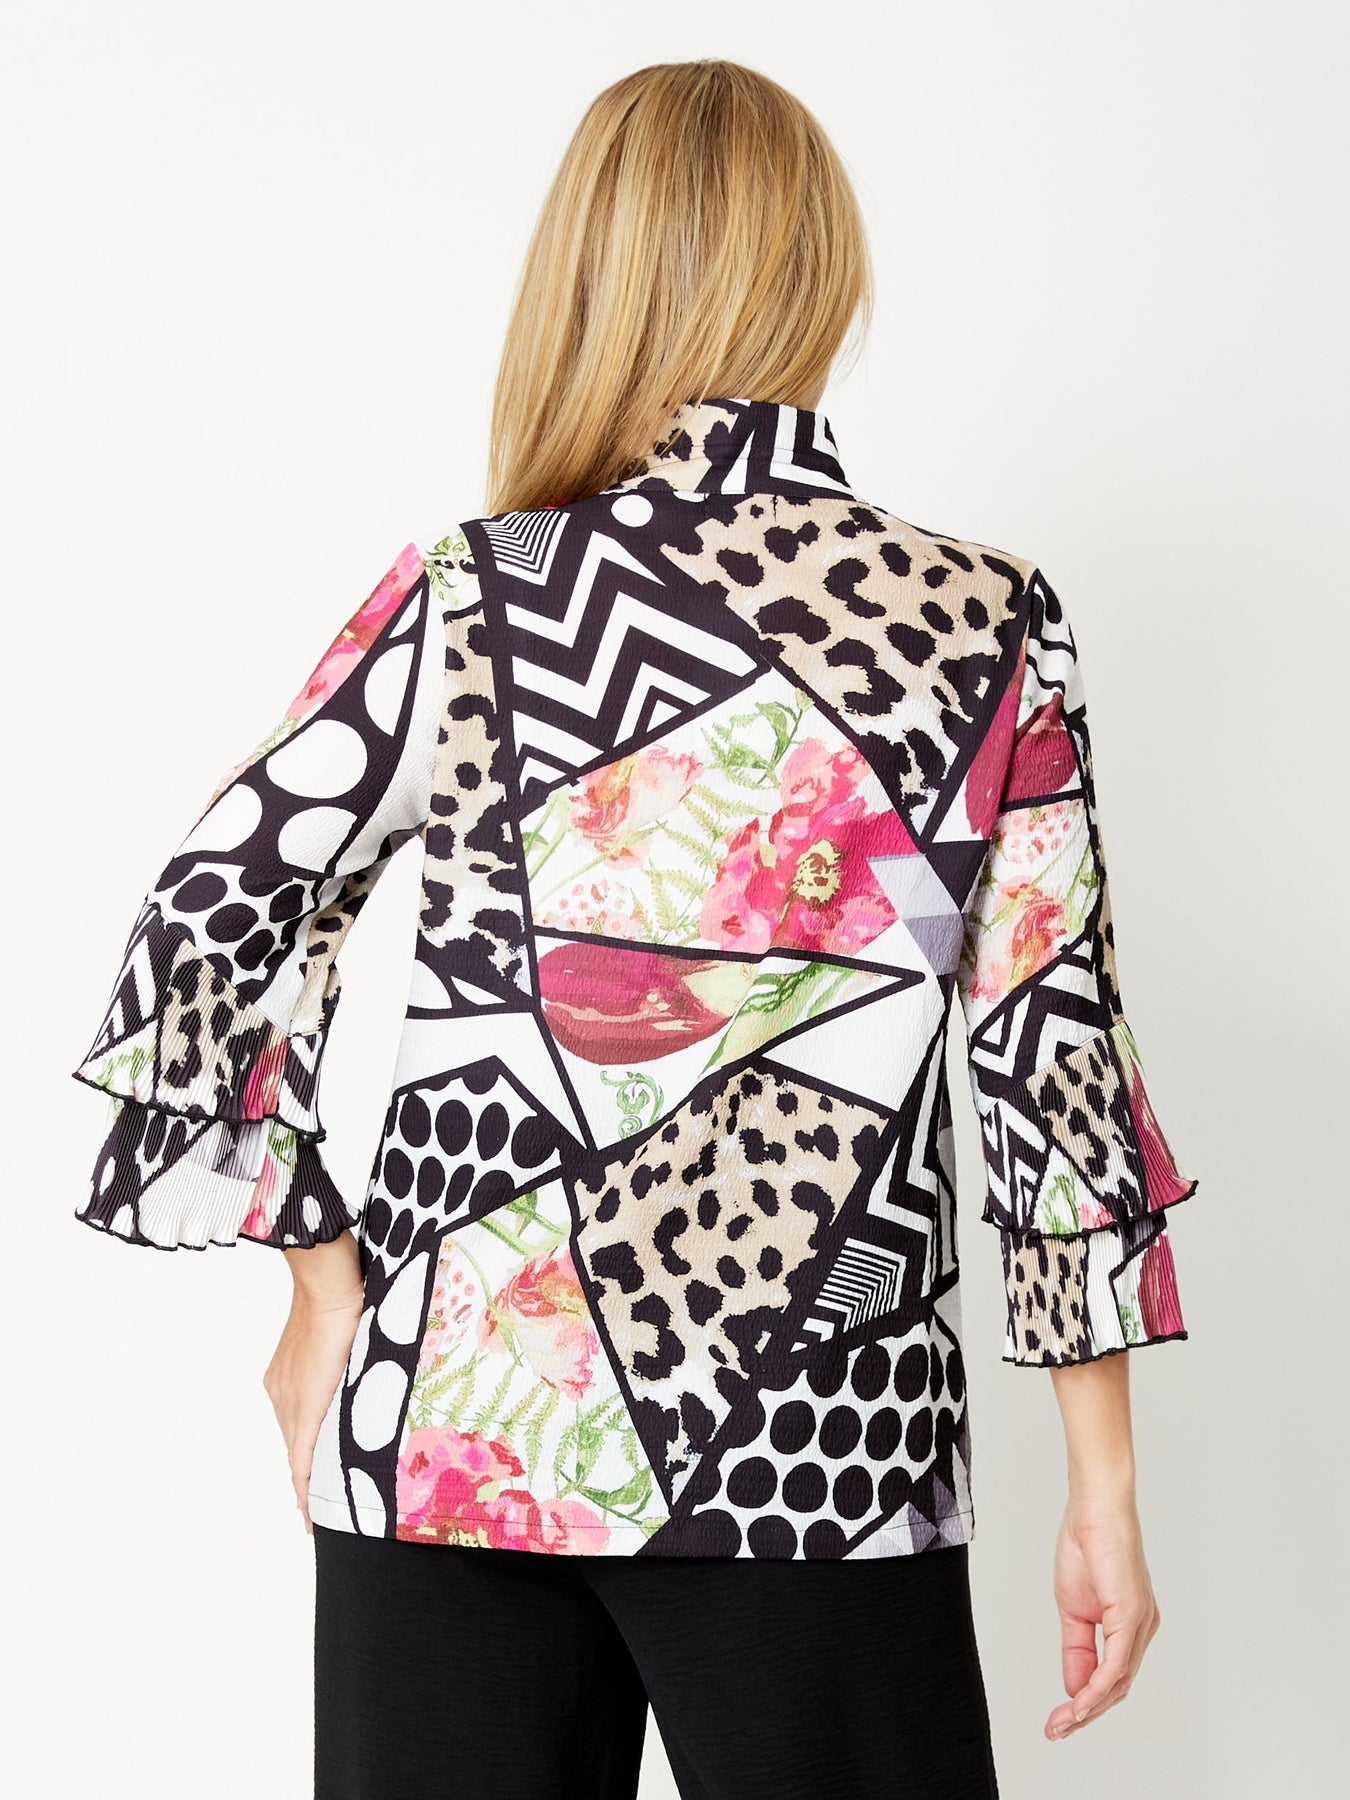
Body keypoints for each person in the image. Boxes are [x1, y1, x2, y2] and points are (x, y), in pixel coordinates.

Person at [70, 57, 1199, 1800]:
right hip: (821, 1449)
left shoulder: (470, 595)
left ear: (583, 274)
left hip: (454, 1428)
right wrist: (1101, 1485)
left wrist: (317, 1277)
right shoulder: (981, 619)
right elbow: (1049, 1058)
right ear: (820, 272)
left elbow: (205, 919)